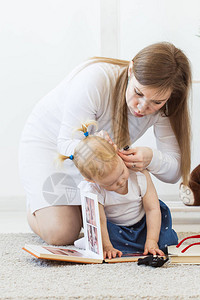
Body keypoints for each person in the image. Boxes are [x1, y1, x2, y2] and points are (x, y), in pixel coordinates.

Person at [19, 42, 191, 245]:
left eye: (157, 102)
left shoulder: (167, 105)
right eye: (138, 93)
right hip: (51, 147)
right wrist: (92, 144)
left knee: (116, 220)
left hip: (99, 165)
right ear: (130, 70)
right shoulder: (96, 80)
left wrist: (151, 158)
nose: (143, 107)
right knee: (61, 233)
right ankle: (37, 204)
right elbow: (65, 143)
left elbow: (173, 172)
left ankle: (70, 208)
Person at [60, 122, 178, 259]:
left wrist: (151, 240)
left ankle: (146, 242)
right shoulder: (94, 189)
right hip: (115, 229)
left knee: (164, 238)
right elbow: (100, 221)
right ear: (92, 181)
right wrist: (107, 246)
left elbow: (152, 209)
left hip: (143, 223)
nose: (121, 181)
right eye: (112, 183)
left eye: (122, 172)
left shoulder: (139, 175)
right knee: (104, 242)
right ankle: (99, 243)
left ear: (117, 153)